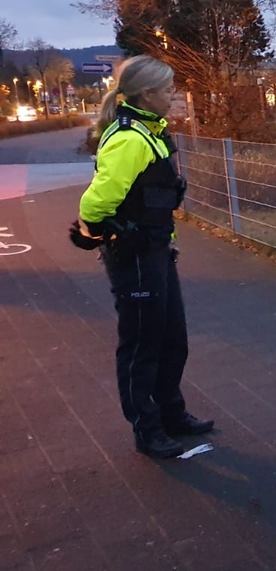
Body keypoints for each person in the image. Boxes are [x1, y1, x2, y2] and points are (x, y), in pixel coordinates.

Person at [71, 55, 213, 459]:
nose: (174, 96)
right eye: (168, 90)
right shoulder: (131, 139)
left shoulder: (150, 132)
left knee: (173, 340)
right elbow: (97, 199)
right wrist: (93, 232)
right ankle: (147, 429)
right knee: (141, 345)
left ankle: (171, 414)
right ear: (147, 94)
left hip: (155, 251)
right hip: (134, 257)